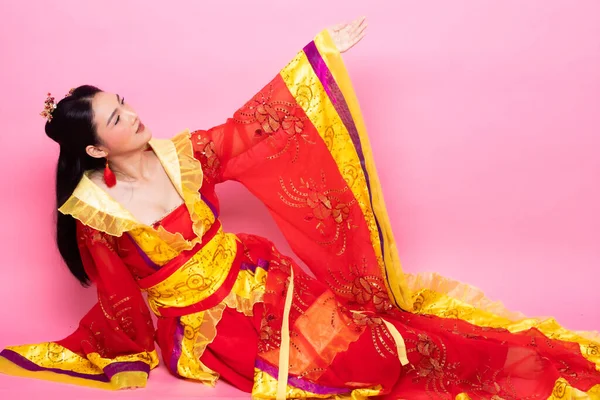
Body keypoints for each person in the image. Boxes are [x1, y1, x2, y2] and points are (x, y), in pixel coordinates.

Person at [0, 17, 599, 400]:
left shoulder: (184, 154)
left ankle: (511, 361)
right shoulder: (94, 214)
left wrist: (317, 56)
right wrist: (129, 351)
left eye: (124, 102)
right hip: (210, 328)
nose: (132, 114)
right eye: (115, 117)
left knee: (385, 346)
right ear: (98, 147)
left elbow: (254, 129)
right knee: (352, 376)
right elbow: (118, 296)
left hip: (263, 278)